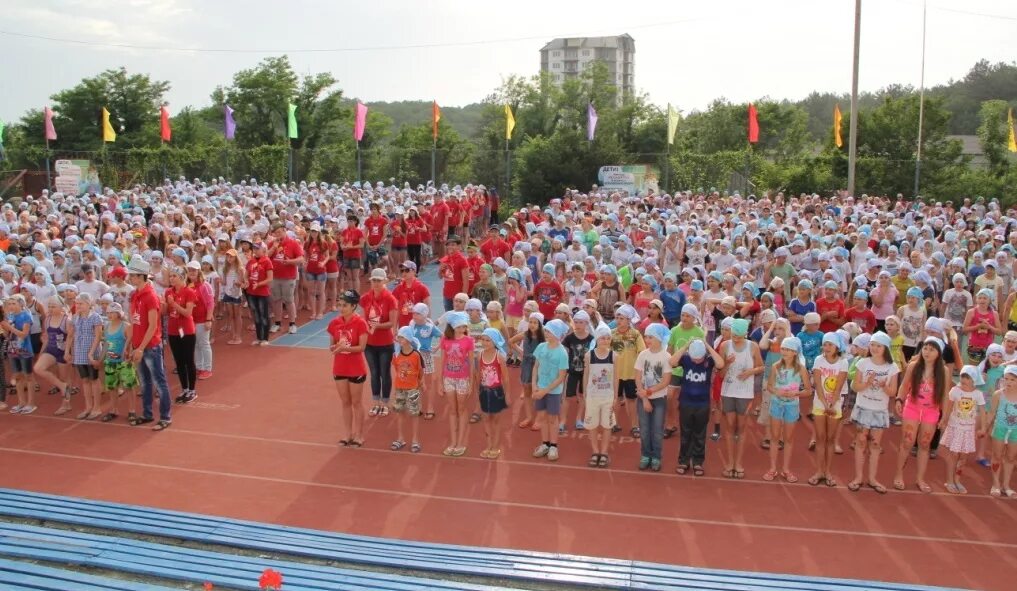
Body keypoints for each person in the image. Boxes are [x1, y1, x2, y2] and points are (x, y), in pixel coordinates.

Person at [892, 337, 948, 493]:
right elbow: (904, 386)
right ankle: (898, 475)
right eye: (925, 348)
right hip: (912, 408)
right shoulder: (914, 366)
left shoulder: (944, 371)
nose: (927, 352)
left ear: (939, 352)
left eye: (932, 349)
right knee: (907, 442)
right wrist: (899, 399)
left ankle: (920, 479)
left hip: (931, 411)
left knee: (924, 445)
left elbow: (944, 395)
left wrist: (944, 416)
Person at [848, 331, 899, 493]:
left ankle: (872, 478)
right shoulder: (863, 363)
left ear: (886, 348)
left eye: (879, 346)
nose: (875, 348)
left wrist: (884, 386)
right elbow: (855, 387)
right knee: (861, 442)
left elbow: (893, 392)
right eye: (873, 345)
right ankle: (858, 477)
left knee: (875, 445)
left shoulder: (892, 367)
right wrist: (866, 383)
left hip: (879, 411)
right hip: (863, 408)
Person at [126, 257, 173, 431]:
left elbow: (153, 325)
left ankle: (165, 416)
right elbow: (134, 322)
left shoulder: (150, 296)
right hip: (139, 345)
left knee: (159, 382)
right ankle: (147, 414)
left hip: (150, 346)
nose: (130, 278)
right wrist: (130, 345)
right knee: (145, 382)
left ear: (140, 276)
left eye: (132, 275)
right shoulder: (136, 295)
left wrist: (139, 347)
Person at [671, 338, 724, 476]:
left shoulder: (709, 361)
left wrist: (707, 346)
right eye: (694, 357)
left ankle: (698, 462)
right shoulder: (686, 359)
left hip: (702, 404)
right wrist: (686, 346)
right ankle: (684, 460)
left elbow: (721, 363)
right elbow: (672, 362)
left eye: (699, 358)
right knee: (685, 434)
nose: (696, 361)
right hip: (686, 403)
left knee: (700, 434)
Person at [763, 336, 812, 483]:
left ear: (795, 352)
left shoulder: (801, 369)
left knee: (789, 438)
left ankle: (786, 469)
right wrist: (776, 392)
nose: (785, 351)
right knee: (774, 437)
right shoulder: (776, 366)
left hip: (792, 405)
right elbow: (770, 386)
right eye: (784, 348)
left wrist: (796, 393)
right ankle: (772, 468)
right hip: (776, 404)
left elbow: (809, 390)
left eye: (789, 349)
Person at [719, 318, 763, 479]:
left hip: (745, 393)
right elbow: (720, 373)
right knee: (730, 426)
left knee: (742, 427)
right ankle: (730, 462)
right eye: (733, 335)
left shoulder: (753, 347)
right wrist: (727, 364)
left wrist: (749, 372)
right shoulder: (725, 346)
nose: (735, 339)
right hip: (728, 391)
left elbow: (761, 366)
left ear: (745, 333)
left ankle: (739, 463)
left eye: (738, 336)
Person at [329, 289, 369, 448]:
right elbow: (331, 347)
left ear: (353, 306)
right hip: (340, 368)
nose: (341, 308)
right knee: (345, 402)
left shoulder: (360, 323)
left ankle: (359, 435)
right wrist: (336, 348)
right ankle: (347, 434)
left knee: (356, 402)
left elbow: (361, 347)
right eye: (339, 305)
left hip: (356, 368)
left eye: (344, 305)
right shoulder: (334, 323)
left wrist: (344, 347)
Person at [940, 365, 988, 494]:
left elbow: (982, 411)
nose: (964, 379)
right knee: (953, 455)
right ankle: (949, 481)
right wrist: (943, 420)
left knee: (963, 457)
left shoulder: (978, 394)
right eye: (963, 376)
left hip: (968, 430)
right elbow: (948, 407)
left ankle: (957, 479)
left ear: (974, 380)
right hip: (955, 427)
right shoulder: (955, 391)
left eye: (967, 377)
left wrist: (983, 427)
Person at [810, 333, 849, 487]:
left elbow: (839, 387)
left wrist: (832, 404)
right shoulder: (819, 360)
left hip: (835, 403)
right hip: (820, 403)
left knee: (830, 439)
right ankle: (819, 471)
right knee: (820, 438)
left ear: (837, 347)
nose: (826, 348)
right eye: (825, 344)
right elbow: (818, 385)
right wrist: (825, 405)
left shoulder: (843, 362)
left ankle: (828, 471)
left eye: (830, 345)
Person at [634, 323, 673, 472]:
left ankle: (656, 457)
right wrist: (644, 398)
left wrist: (648, 392)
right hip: (643, 399)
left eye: (651, 337)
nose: (647, 339)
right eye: (646, 336)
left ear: (659, 338)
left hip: (659, 399)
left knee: (657, 430)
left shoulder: (666, 356)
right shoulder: (643, 355)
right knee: (644, 429)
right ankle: (645, 455)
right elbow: (637, 377)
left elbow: (665, 381)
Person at [361, 268, 398, 416]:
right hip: (369, 343)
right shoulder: (366, 298)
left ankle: (385, 403)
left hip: (385, 343)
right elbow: (363, 317)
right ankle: (376, 402)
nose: (376, 283)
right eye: (373, 280)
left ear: (385, 281)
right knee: (374, 373)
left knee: (384, 372)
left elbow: (392, 323)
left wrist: (377, 326)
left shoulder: (390, 299)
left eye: (378, 280)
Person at [531, 319, 570, 462]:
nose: (546, 333)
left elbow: (561, 377)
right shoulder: (541, 347)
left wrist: (544, 391)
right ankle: (545, 444)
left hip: (553, 392)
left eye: (550, 331)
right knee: (542, 417)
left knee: (552, 419)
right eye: (546, 331)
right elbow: (536, 367)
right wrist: (535, 385)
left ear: (558, 334)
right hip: (540, 389)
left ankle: (554, 445)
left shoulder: (562, 353)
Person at [583, 325, 618, 468]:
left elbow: (616, 377)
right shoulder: (589, 355)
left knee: (607, 425)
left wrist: (615, 396)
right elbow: (586, 375)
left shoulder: (614, 356)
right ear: (597, 339)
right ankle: (595, 451)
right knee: (592, 425)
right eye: (603, 338)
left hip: (607, 397)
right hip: (592, 396)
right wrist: (585, 393)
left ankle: (604, 452)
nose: (606, 340)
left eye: (608, 338)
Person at [440, 312, 474, 457]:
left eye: (464, 325)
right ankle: (453, 442)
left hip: (462, 378)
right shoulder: (445, 340)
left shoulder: (469, 341)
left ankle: (461, 442)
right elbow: (442, 361)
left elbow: (472, 363)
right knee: (452, 410)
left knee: (462, 408)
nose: (463, 328)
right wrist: (440, 382)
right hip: (449, 378)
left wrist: (471, 382)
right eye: (460, 325)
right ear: (453, 326)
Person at [164, 268, 198, 404]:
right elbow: (166, 311)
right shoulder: (168, 292)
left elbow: (187, 313)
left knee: (188, 360)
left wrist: (173, 304)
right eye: (171, 276)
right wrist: (164, 305)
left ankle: (192, 390)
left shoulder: (189, 292)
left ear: (182, 277)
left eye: (175, 276)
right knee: (179, 362)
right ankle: (184, 389)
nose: (172, 278)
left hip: (186, 331)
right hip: (173, 330)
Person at [100, 302, 136, 423]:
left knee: (128, 387)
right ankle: (113, 410)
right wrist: (101, 358)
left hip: (124, 362)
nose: (110, 315)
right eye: (108, 313)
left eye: (112, 312)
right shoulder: (106, 326)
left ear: (119, 313)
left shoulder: (126, 326)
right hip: (110, 361)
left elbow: (131, 343)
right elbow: (105, 344)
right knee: (112, 387)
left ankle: (132, 410)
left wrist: (128, 356)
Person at [390, 326, 424, 453]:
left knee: (414, 414)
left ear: (409, 339)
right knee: (400, 413)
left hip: (412, 389)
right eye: (398, 337)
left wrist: (420, 382)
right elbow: (397, 369)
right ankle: (400, 438)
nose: (399, 339)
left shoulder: (416, 355)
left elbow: (420, 371)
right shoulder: (396, 355)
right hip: (400, 388)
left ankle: (415, 440)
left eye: (401, 337)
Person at [477, 328, 509, 459]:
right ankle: (489, 445)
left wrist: (507, 395)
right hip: (484, 391)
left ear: (494, 342)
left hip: (496, 392)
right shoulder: (480, 355)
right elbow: (478, 373)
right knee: (486, 419)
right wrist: (477, 389)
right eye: (483, 340)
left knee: (495, 420)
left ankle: (496, 446)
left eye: (488, 340)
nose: (484, 343)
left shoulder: (499, 357)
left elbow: (505, 378)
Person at [268, 223, 305, 335]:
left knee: (289, 300)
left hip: (288, 277)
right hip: (275, 276)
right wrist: (274, 247)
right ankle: (277, 323)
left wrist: (289, 262)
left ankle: (292, 324)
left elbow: (301, 259)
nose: (278, 235)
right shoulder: (272, 243)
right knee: (276, 300)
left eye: (279, 232)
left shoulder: (293, 243)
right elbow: (266, 257)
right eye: (276, 233)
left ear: (284, 231)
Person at [3, 294, 36, 415]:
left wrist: (10, 328)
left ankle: (31, 403)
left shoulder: (26, 315)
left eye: (14, 304)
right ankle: (21, 402)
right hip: (12, 350)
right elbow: (7, 335)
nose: (11, 306)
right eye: (9, 304)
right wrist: (6, 329)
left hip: (24, 350)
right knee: (17, 376)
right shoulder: (9, 317)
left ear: (21, 304)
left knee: (28, 376)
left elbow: (24, 334)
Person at [561, 310, 593, 433]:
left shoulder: (591, 339)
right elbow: (564, 353)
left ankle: (579, 419)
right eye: (576, 322)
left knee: (582, 395)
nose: (578, 325)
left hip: (585, 373)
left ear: (586, 323)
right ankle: (562, 421)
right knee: (567, 397)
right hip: (572, 371)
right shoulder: (570, 338)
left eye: (581, 322)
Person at [988, 366, 1017, 498]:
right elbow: (992, 413)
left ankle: (1006, 485)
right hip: (1000, 428)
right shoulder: (998, 394)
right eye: (1006, 379)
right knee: (997, 456)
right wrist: (985, 427)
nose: (1009, 382)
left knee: (1011, 457)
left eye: (1012, 379)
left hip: (1015, 431)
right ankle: (995, 484)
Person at [186, 261, 215, 381]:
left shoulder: (205, 285)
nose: (192, 272)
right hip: (192, 320)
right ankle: (199, 367)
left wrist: (208, 319)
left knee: (204, 344)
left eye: (194, 270)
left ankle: (207, 369)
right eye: (190, 270)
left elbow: (210, 303)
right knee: (196, 345)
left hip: (202, 320)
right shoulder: (188, 286)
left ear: (199, 272)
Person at [244, 242, 274, 346]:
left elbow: (270, 278)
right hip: (251, 292)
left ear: (264, 250)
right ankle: (258, 337)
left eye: (258, 249)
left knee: (263, 315)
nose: (255, 251)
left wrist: (259, 284)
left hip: (262, 293)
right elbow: (246, 275)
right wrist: (246, 281)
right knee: (256, 314)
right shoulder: (251, 261)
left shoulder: (267, 261)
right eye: (254, 249)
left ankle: (265, 338)